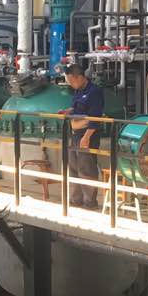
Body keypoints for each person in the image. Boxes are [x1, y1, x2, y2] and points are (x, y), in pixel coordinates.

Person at [63, 63, 104, 210]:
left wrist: (86, 137)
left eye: (71, 80)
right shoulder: (78, 91)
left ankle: (89, 201)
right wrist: (68, 111)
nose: (70, 84)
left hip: (87, 134)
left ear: (79, 77)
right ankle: (76, 199)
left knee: (86, 167)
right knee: (74, 167)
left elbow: (95, 117)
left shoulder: (94, 92)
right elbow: (77, 107)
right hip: (75, 133)